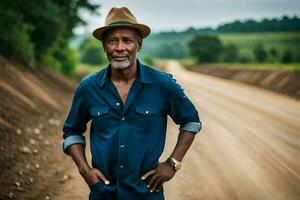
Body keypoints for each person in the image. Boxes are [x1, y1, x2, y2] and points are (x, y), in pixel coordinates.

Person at [62, 7, 202, 200]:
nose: (120, 48)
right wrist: (84, 170)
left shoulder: (163, 85)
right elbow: (72, 131)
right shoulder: (88, 88)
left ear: (139, 44)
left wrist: (172, 163)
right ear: (104, 46)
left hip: (147, 193)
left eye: (127, 40)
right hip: (103, 193)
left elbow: (191, 121)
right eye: (112, 41)